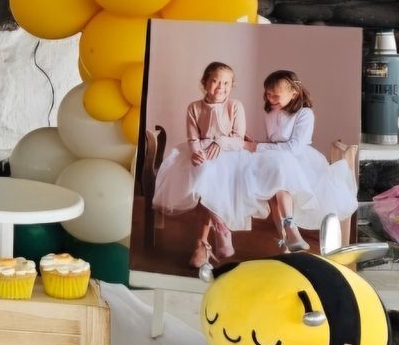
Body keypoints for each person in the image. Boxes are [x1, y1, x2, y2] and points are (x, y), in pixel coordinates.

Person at [150, 61, 255, 272]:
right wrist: (197, 153)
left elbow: (238, 139)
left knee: (209, 177)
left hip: (231, 155)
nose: (221, 87)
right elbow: (193, 138)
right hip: (202, 154)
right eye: (215, 81)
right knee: (204, 174)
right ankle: (221, 228)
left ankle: (203, 244)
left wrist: (220, 143)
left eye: (226, 83)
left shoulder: (235, 106)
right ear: (204, 82)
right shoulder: (194, 107)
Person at [245, 68, 359, 252]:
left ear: (293, 93)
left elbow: (293, 148)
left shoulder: (305, 114)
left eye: (276, 96)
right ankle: (285, 238)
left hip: (300, 160)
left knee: (281, 175)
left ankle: (290, 227)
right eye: (268, 95)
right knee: (274, 188)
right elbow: (272, 142)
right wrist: (255, 144)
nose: (270, 100)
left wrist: (257, 147)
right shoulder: (270, 113)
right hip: (276, 158)